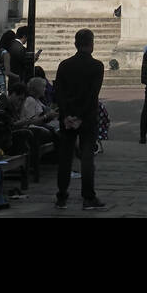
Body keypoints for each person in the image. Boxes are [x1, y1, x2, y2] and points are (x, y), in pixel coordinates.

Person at [54, 29, 106, 209]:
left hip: (67, 118)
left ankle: (61, 196)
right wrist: (81, 117)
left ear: (75, 43)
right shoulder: (97, 66)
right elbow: (93, 95)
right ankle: (88, 197)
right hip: (87, 118)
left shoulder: (64, 65)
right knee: (86, 159)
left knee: (65, 158)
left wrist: (67, 115)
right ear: (91, 44)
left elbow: (58, 93)